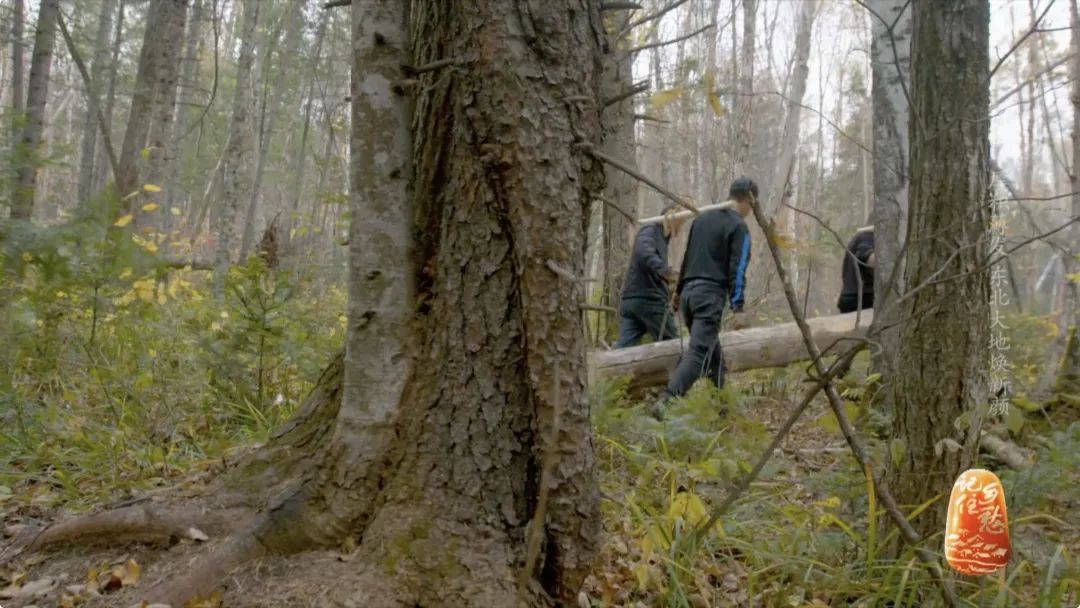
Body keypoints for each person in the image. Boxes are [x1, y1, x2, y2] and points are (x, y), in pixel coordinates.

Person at [648, 177, 756, 420]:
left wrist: (678, 294)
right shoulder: (739, 227)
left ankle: (722, 409)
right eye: (752, 204)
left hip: (689, 297)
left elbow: (687, 258)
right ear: (749, 200)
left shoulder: (702, 220)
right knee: (698, 354)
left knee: (713, 355)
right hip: (709, 296)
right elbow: (737, 269)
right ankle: (666, 401)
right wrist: (737, 307)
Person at [613, 205, 684, 348]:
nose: (680, 228)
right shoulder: (650, 230)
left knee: (623, 350)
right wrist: (667, 273)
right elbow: (645, 254)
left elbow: (653, 270)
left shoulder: (661, 239)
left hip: (633, 300)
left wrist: (671, 293)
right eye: (680, 222)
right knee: (674, 345)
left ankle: (603, 368)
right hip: (648, 300)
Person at [838, 228, 874, 313]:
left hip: (853, 296)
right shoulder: (867, 236)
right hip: (860, 298)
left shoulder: (860, 237)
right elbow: (864, 255)